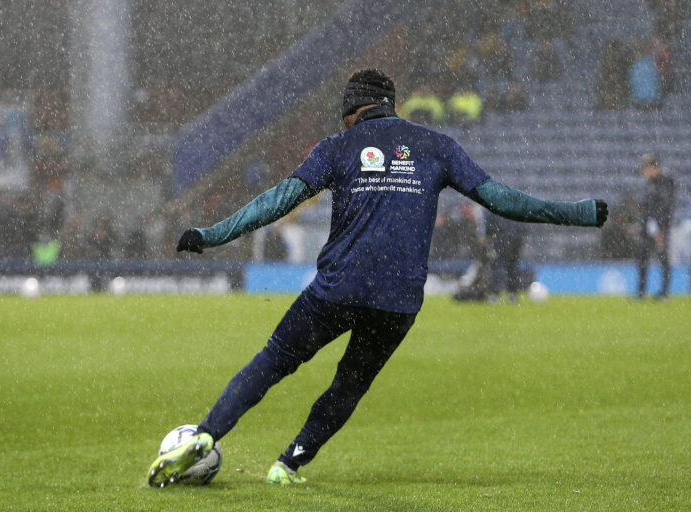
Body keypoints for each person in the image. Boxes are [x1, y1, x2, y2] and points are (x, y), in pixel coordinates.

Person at [147, 69, 609, 487]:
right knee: (349, 384)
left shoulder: (335, 147)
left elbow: (277, 201)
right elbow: (503, 200)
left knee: (274, 360)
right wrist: (579, 213)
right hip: (398, 298)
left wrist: (211, 234)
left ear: (351, 111)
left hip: (337, 287)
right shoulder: (437, 146)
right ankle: (287, 464)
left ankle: (207, 435)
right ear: (392, 104)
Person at [636, 153, 676, 298]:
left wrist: (661, 229)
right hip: (648, 226)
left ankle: (664, 292)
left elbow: (665, 207)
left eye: (645, 168)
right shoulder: (651, 183)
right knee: (642, 258)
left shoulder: (664, 182)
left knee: (662, 258)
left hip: (659, 227)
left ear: (654, 167)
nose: (643, 172)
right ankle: (641, 292)